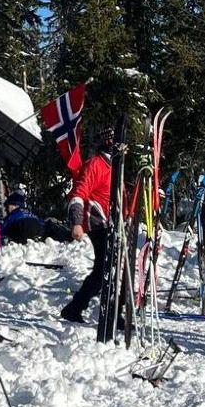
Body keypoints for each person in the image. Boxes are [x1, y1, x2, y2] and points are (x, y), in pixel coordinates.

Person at [59, 138, 114, 323]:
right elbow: (79, 193)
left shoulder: (113, 166)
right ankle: (79, 308)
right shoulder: (96, 164)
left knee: (107, 268)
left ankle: (77, 308)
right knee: (106, 267)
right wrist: (76, 222)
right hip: (98, 223)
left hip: (111, 223)